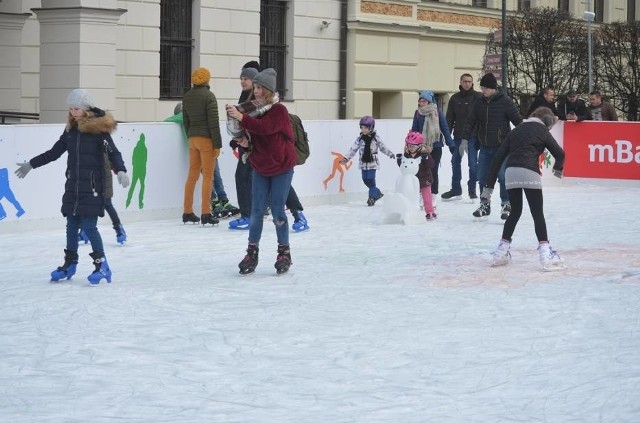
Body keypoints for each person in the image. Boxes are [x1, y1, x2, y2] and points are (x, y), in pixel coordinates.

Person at [14, 88, 129, 284]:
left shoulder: (98, 130)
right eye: (71, 108)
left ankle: (103, 266)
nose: (72, 112)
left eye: (76, 108)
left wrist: (121, 170)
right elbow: (54, 152)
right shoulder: (70, 131)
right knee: (71, 226)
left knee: (89, 227)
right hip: (73, 186)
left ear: (86, 109)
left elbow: (113, 152)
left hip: (92, 187)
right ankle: (70, 264)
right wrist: (31, 164)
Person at [226, 68, 298, 275]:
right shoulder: (252, 111)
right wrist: (243, 139)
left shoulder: (279, 111)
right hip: (261, 165)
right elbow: (255, 135)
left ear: (268, 90)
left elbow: (265, 128)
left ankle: (284, 252)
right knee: (256, 212)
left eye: (259, 88)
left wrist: (241, 116)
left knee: (277, 210)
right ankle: (252, 252)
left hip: (282, 166)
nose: (256, 91)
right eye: (255, 87)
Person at [480, 107, 566, 270]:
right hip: (530, 173)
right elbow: (560, 153)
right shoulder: (542, 130)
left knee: (515, 212)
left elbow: (498, 159)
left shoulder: (516, 130)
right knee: (537, 213)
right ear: (547, 123)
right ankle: (545, 252)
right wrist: (558, 169)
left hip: (511, 172)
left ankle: (501, 251)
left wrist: (488, 187)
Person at [461, 72, 523, 220]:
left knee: (502, 177)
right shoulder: (479, 102)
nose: (483, 91)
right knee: (482, 177)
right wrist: (464, 139)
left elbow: (518, 121)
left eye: (486, 88)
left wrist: (521, 139)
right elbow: (471, 121)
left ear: (493, 88)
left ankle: (506, 204)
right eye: (482, 88)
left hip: (502, 148)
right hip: (485, 147)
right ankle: (485, 204)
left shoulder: (505, 101)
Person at [181, 67, 223, 226]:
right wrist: (217, 144)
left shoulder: (187, 96)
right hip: (206, 140)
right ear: (207, 80)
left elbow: (186, 121)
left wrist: (190, 136)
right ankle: (206, 212)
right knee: (208, 176)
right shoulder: (209, 96)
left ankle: (187, 211)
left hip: (192, 139)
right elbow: (213, 123)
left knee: (192, 175)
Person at [228, 62, 261, 230]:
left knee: (271, 178)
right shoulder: (244, 96)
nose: (243, 81)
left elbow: (253, 121)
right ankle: (248, 214)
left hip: (257, 145)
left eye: (246, 78)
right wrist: (236, 139)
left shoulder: (256, 98)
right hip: (245, 145)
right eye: (241, 78)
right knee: (243, 177)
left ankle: (248, 215)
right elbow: (241, 122)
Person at [411, 90, 454, 209]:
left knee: (433, 171)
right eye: (420, 100)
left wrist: (451, 143)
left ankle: (433, 195)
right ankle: (423, 194)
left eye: (423, 100)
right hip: (422, 147)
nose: (421, 103)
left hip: (436, 145)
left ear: (429, 101)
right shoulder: (417, 113)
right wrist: (412, 144)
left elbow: (444, 128)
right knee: (421, 171)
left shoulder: (437, 112)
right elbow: (414, 129)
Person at [340, 116, 396, 206]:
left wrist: (390, 153)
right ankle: (377, 193)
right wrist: (346, 158)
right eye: (362, 128)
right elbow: (353, 149)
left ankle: (371, 198)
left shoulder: (375, 138)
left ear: (371, 128)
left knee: (370, 178)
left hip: (372, 163)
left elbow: (382, 147)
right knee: (365, 179)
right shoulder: (360, 139)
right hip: (363, 163)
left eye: (366, 128)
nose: (363, 130)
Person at [443, 73, 482, 201]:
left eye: (469, 81)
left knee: (473, 164)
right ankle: (456, 189)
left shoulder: (478, 97)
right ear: (460, 82)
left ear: (472, 83)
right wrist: (449, 139)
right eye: (465, 81)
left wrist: (480, 137)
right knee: (455, 162)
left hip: (473, 136)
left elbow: (482, 118)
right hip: (458, 136)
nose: (467, 83)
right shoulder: (454, 98)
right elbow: (449, 119)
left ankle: (472, 189)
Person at [398, 131, 437, 221]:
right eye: (409, 145)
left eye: (413, 146)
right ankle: (409, 211)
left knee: (426, 197)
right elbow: (404, 167)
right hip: (412, 180)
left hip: (424, 180)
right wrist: (399, 160)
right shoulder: (406, 155)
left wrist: (427, 158)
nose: (411, 148)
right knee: (410, 196)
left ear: (419, 146)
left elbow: (432, 165)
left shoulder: (424, 155)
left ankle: (430, 212)